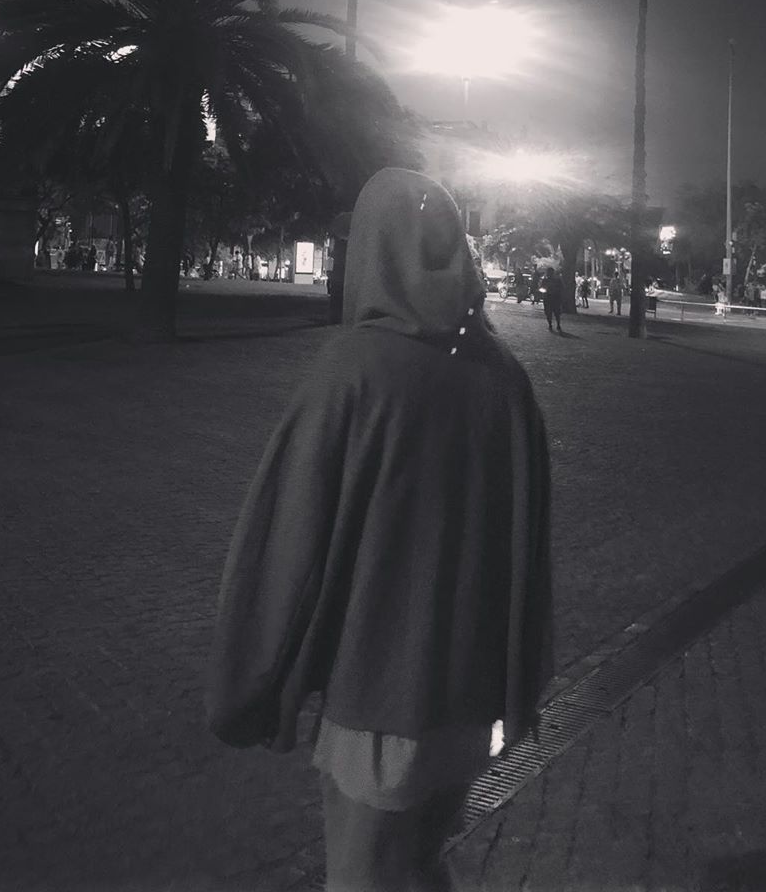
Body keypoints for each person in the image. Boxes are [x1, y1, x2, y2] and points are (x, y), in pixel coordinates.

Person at [205, 168, 552, 891]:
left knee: (366, 874)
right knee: (419, 863)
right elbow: (527, 553)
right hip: (472, 697)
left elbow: (287, 543)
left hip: (380, 695)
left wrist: (251, 688)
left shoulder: (355, 370)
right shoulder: (504, 376)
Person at [542, 266, 564, 333]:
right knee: (551, 313)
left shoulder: (556, 280)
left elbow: (561, 288)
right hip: (550, 298)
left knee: (554, 313)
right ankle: (553, 325)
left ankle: (555, 325)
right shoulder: (546, 280)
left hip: (553, 298)